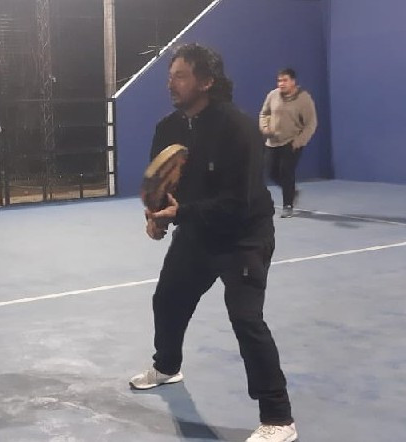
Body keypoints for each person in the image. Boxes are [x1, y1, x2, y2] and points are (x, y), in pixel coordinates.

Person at [130, 44, 297, 442]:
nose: (171, 83)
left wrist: (179, 215)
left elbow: (238, 202)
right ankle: (167, 366)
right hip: (196, 233)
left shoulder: (238, 129)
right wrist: (156, 218)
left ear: (206, 81)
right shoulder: (167, 128)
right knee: (167, 299)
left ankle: (279, 418)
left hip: (244, 236)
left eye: (181, 75)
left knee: (245, 318)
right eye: (170, 75)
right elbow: (162, 188)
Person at [259, 68, 317, 218]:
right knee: (271, 172)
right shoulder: (273, 95)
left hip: (291, 142)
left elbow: (311, 123)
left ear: (293, 82)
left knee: (286, 172)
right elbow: (264, 113)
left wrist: (299, 141)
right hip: (272, 141)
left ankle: (288, 205)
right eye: (279, 80)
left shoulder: (304, 99)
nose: (281, 84)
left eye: (285, 80)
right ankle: (292, 191)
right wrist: (265, 128)